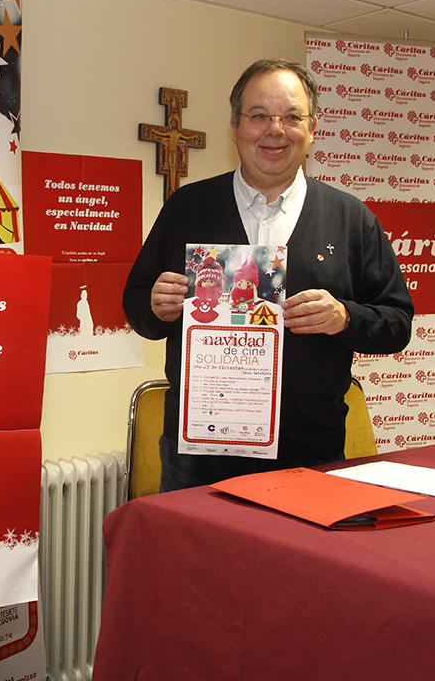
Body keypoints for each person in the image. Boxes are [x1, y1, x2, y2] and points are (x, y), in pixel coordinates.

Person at [123, 58, 413, 492]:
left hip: (309, 456)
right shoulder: (187, 207)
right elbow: (137, 305)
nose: (275, 130)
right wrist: (155, 306)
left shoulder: (351, 220)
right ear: (235, 126)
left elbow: (397, 323)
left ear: (312, 128)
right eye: (259, 115)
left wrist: (345, 318)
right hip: (200, 457)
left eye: (291, 116)